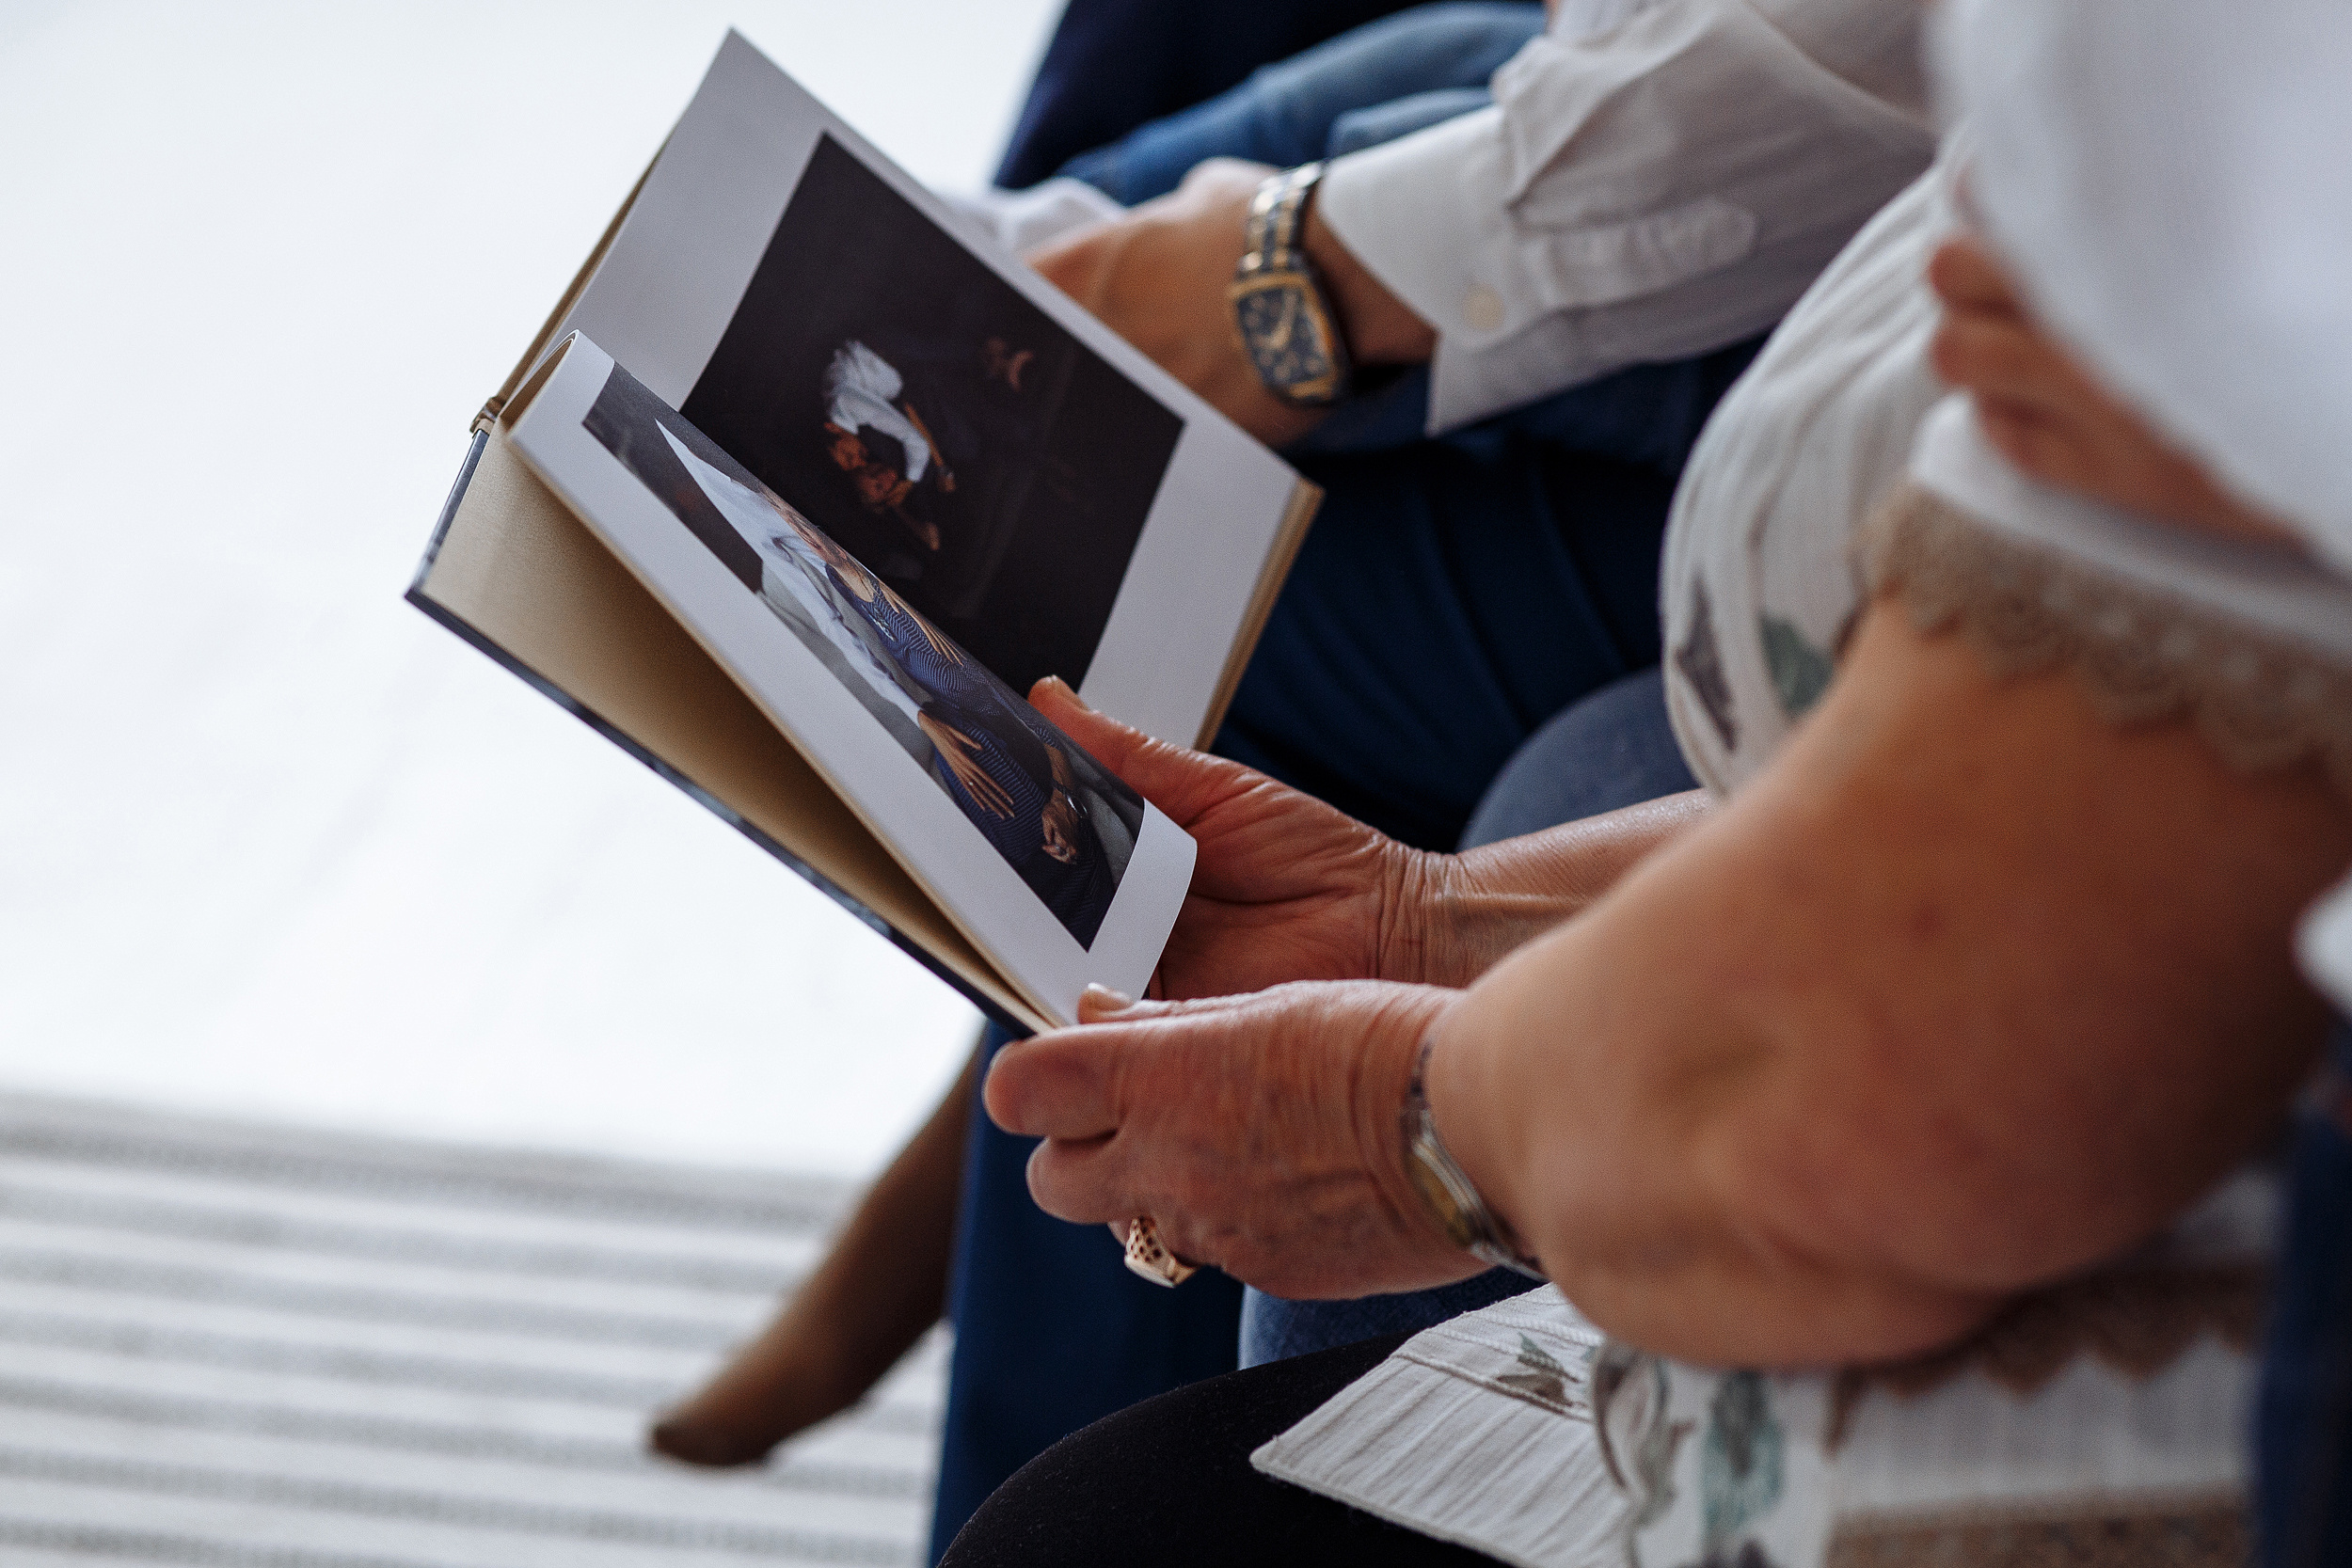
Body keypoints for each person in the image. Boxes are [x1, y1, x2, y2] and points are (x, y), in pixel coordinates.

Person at [935, 0, 2352, 1560]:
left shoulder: (2246, 185)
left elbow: (1915, 1082)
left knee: (1094, 1540)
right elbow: (2044, 819)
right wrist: (1431, 923)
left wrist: (1402, 1121)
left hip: (2183, 1407)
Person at [658, 0, 1940, 1544]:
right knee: (1260, 71)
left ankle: (1012, 1116)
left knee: (1123, 629)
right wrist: (1422, 924)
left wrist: (1282, 282)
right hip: (1871, 161)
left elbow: (1878, 103)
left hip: (1888, 246)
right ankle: (967, 314)